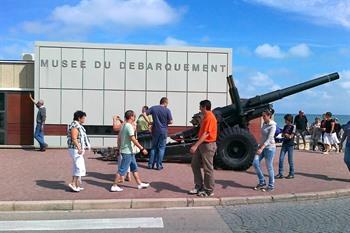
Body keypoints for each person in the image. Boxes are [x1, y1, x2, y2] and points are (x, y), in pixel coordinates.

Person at [110, 110, 150, 192]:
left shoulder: (124, 125)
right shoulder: (128, 126)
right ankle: (114, 185)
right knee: (122, 170)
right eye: (134, 116)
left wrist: (119, 148)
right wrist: (142, 148)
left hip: (129, 151)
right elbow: (133, 138)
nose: (135, 117)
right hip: (127, 152)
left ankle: (139, 184)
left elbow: (120, 138)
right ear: (131, 116)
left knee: (134, 168)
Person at [188, 100, 217, 197]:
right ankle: (199, 186)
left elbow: (206, 133)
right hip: (202, 144)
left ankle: (209, 190)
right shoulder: (205, 117)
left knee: (208, 168)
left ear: (204, 107)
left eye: (200, 107)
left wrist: (195, 145)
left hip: (208, 145)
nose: (199, 108)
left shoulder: (209, 117)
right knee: (194, 164)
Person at [144, 97, 173, 170]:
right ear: (165, 103)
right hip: (163, 131)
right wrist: (166, 122)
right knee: (161, 148)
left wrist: (149, 122)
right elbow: (171, 121)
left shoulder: (154, 108)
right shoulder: (167, 110)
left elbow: (144, 114)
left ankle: (150, 165)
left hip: (155, 131)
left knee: (153, 147)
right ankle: (159, 165)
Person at [253, 109, 277, 192]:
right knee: (255, 163)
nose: (263, 118)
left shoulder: (273, 125)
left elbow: (269, 138)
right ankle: (262, 181)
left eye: (264, 116)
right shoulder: (264, 123)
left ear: (269, 116)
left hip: (270, 148)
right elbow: (262, 137)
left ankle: (271, 185)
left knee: (269, 166)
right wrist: (259, 145)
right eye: (262, 116)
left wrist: (261, 148)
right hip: (261, 147)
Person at [67, 111, 90, 192]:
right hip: (75, 149)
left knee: (76, 166)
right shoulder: (75, 125)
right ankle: (73, 183)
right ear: (79, 118)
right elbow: (74, 138)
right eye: (83, 118)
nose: (84, 120)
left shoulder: (78, 125)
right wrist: (79, 148)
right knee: (79, 166)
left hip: (76, 149)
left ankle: (76, 184)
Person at [276, 114, 296, 179]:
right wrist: (283, 134)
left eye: (285, 120)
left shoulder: (293, 126)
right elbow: (282, 135)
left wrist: (287, 135)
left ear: (289, 120)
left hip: (290, 145)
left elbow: (291, 136)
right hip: (284, 144)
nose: (284, 121)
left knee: (290, 160)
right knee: (281, 159)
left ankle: (291, 173)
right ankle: (280, 173)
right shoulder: (285, 126)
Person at [112, 115, 131, 182]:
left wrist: (114, 120)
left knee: (121, 160)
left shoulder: (124, 125)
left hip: (123, 145)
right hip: (129, 146)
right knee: (128, 161)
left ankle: (121, 177)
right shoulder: (132, 124)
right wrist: (120, 120)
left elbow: (115, 128)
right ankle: (128, 175)